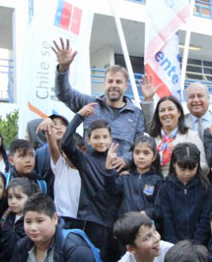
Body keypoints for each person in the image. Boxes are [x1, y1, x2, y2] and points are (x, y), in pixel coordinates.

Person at [52, 37, 146, 166]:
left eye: (118, 82)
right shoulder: (89, 103)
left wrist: (126, 160)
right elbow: (63, 94)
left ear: (126, 85)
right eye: (110, 81)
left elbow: (139, 145)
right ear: (104, 84)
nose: (114, 85)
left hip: (121, 176)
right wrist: (63, 69)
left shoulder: (136, 114)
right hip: (91, 175)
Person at [58, 106, 121, 262]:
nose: (101, 141)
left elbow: (115, 191)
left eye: (105, 137)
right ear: (89, 140)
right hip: (92, 222)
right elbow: (64, 142)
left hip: (113, 224)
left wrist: (109, 169)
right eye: (96, 137)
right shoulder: (84, 160)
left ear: (110, 138)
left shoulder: (116, 162)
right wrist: (79, 116)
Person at [155, 142, 212, 245]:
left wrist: (197, 242)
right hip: (173, 244)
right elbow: (166, 218)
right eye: (182, 169)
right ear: (174, 163)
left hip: (199, 243)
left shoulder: (204, 186)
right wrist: (173, 244)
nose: (187, 173)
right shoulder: (166, 187)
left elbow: (205, 217)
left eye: (192, 168)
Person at [147, 94, 208, 176]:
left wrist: (185, 159)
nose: (166, 113)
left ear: (179, 112)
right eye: (162, 110)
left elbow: (204, 168)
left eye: (170, 109)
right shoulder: (151, 138)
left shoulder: (191, 136)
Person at [37, 116, 81, 225]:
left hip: (82, 218)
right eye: (54, 124)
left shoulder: (86, 169)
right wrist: (48, 128)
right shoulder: (60, 166)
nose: (59, 127)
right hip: (62, 218)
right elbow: (53, 148)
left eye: (63, 124)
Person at [112, 133, 162, 219]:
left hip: (145, 226)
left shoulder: (158, 180)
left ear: (154, 157)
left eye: (146, 153)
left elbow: (159, 207)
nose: (141, 157)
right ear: (132, 155)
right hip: (124, 225)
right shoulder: (125, 177)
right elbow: (111, 191)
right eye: (137, 153)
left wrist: (147, 213)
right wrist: (109, 168)